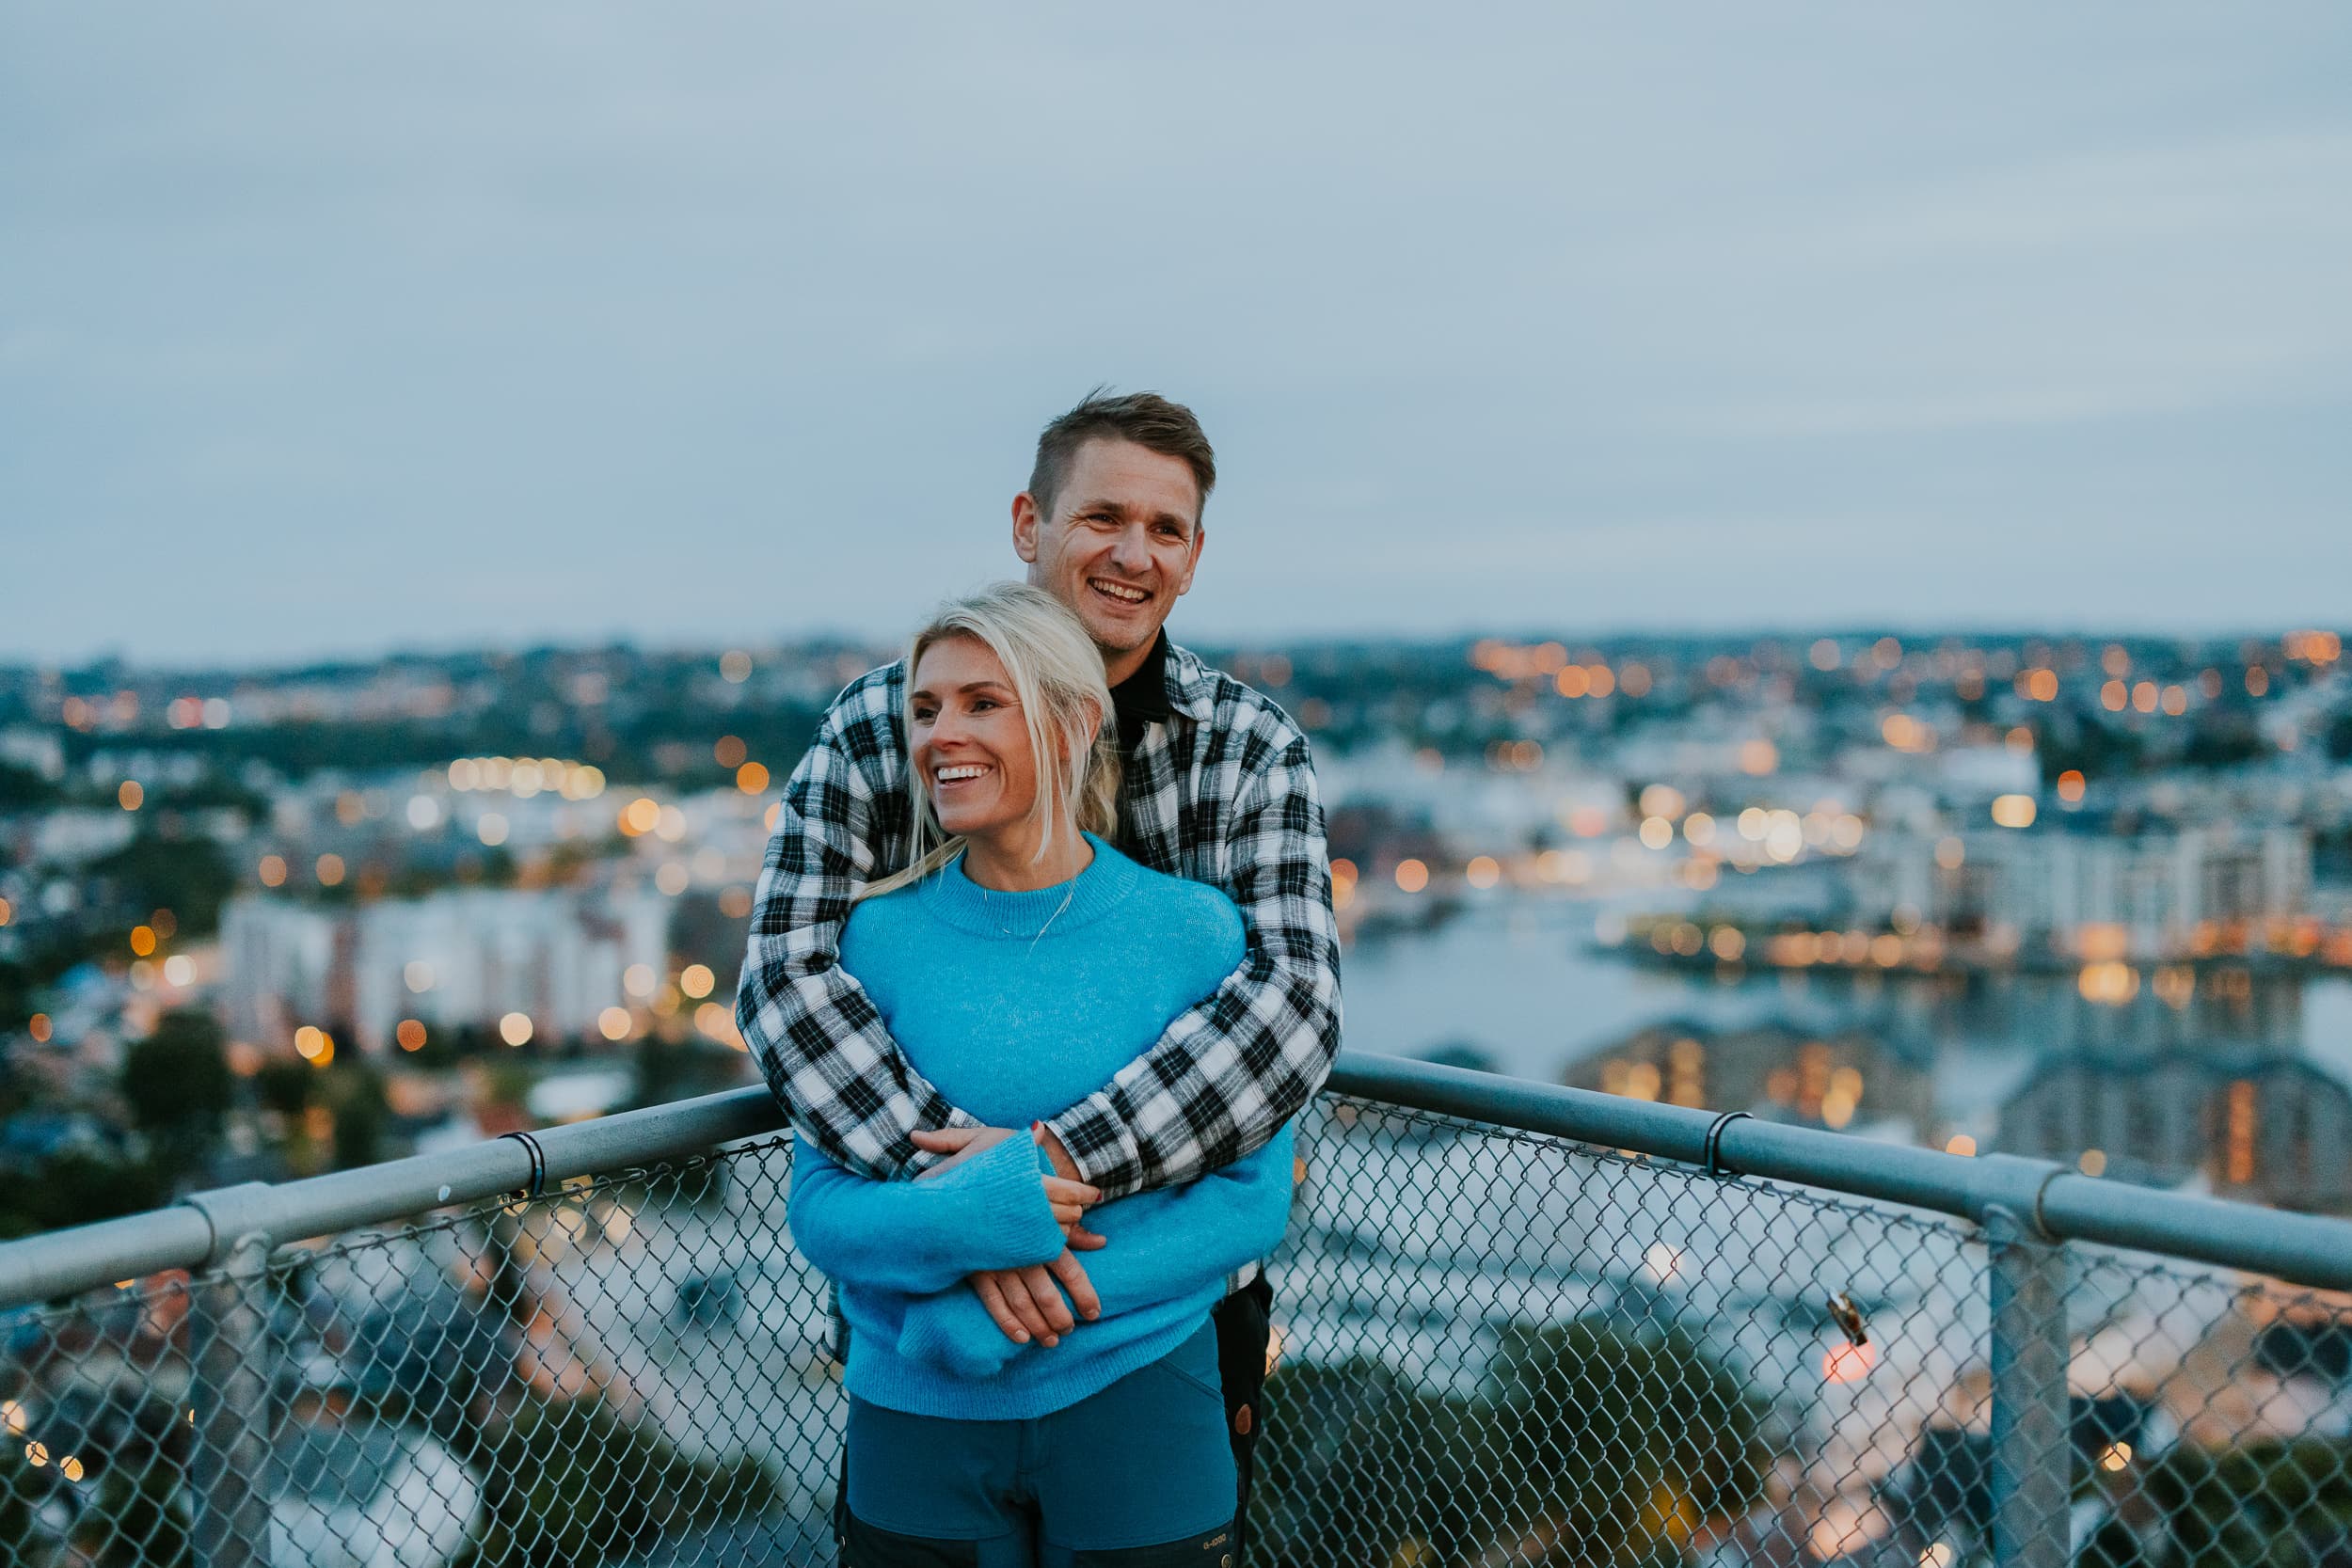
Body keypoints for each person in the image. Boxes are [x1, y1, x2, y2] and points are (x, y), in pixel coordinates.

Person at [735, 391, 1343, 1544]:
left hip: (1166, 1326)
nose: (1131, 553)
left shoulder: (1247, 747)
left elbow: (1290, 1014)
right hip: (928, 1322)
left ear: (1195, 556)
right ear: (1028, 524)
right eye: (1100, 516)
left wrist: (1042, 1175)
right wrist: (965, 1207)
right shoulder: (884, 723)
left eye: (1165, 528)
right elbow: (785, 978)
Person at [787, 584, 1295, 1563]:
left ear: (1071, 724)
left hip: (1140, 1403)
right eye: (926, 708)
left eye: (983, 702)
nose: (942, 733)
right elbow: (820, 1207)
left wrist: (996, 1306)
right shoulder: (878, 938)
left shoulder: (1191, 930)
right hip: (915, 1413)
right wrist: (981, 1219)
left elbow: (1249, 1200)